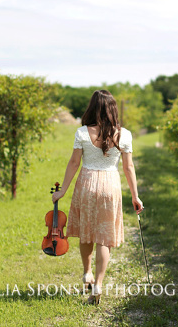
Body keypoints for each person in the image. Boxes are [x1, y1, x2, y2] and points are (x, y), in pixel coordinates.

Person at [52, 89, 144, 305]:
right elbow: (128, 167)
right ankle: (99, 283)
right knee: (104, 238)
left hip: (86, 183)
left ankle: (86, 273)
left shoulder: (82, 133)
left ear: (92, 107)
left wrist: (62, 190)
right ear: (113, 109)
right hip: (110, 185)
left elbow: (74, 163)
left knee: (87, 233)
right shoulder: (125, 135)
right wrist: (135, 196)